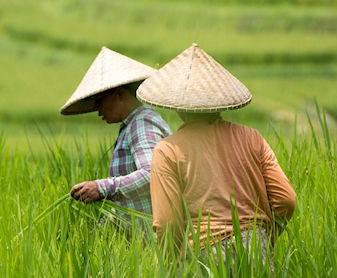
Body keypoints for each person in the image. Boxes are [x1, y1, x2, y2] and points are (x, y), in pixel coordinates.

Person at [136, 44, 296, 269]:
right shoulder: (253, 138)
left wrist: (173, 265)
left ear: (177, 106)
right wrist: (264, 237)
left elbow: (167, 223)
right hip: (256, 251)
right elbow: (286, 200)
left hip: (205, 256)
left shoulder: (168, 150)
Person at [60, 47, 171, 219]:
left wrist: (102, 188)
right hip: (136, 237)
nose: (97, 109)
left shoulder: (141, 123)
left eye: (99, 101)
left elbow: (153, 174)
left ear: (119, 94)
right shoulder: (132, 124)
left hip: (148, 237)